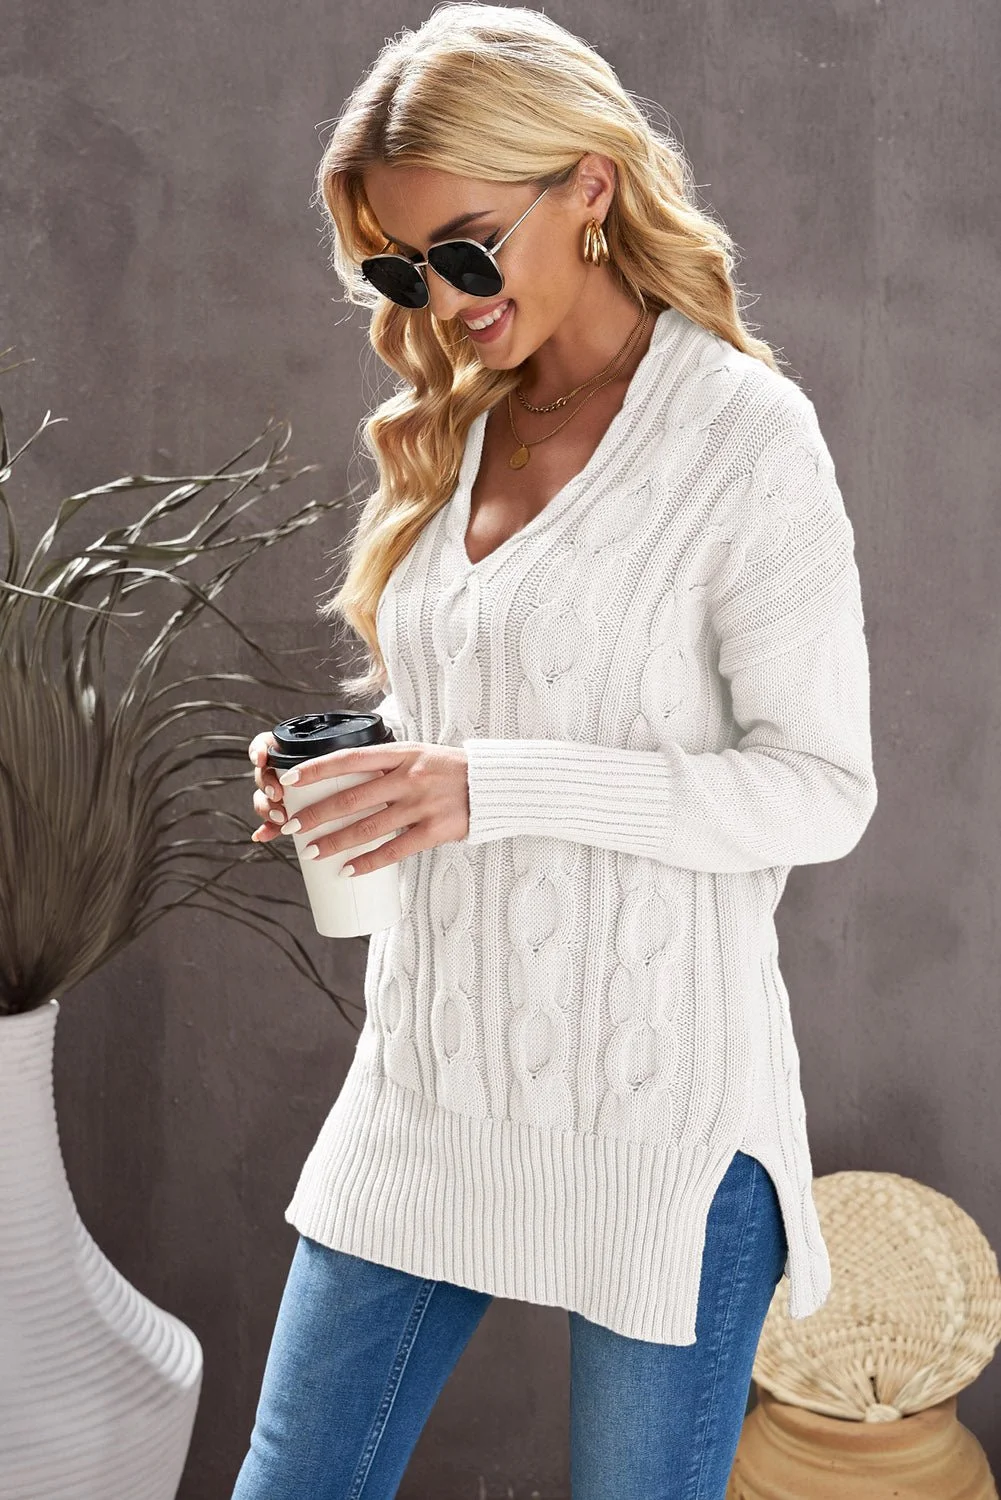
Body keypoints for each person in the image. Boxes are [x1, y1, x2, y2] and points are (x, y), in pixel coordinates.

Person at [233, 5, 878, 1496]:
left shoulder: (744, 438)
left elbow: (821, 789)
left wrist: (482, 787)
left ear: (589, 185)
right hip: (430, 1080)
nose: (441, 300)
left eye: (466, 249)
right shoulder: (456, 421)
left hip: (663, 1114)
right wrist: (365, 773)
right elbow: (501, 694)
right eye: (402, 268)